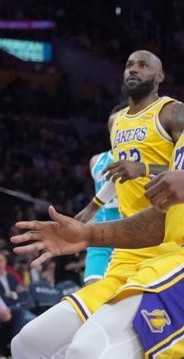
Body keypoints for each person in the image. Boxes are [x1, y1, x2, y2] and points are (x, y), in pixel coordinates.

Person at [12, 0, 184, 359]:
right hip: (166, 251)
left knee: (90, 351)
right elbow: (167, 217)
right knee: (30, 344)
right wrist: (88, 234)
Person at [10, 50, 184, 355]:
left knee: (87, 351)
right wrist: (88, 211)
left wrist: (146, 169)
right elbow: (117, 175)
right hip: (126, 248)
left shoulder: (174, 112)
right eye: (129, 64)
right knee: (25, 344)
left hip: (170, 246)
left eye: (143, 65)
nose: (134, 69)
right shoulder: (117, 122)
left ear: (159, 76)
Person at [72, 108, 125, 285]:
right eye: (113, 127)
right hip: (101, 238)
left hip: (132, 235)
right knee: (91, 291)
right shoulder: (96, 161)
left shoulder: (141, 159)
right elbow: (99, 198)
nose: (117, 130)